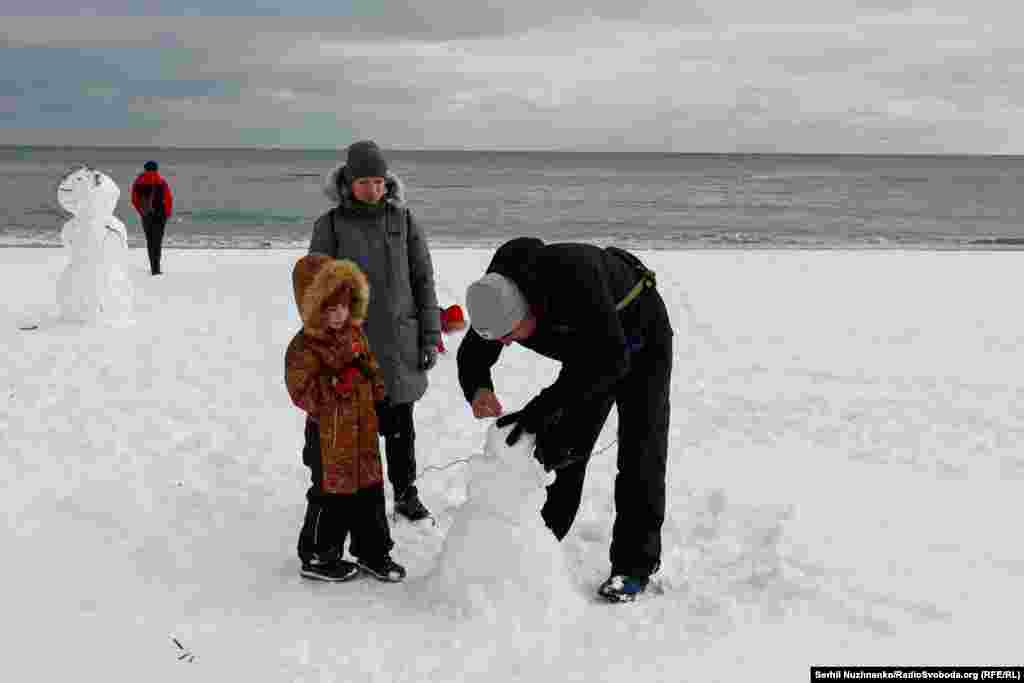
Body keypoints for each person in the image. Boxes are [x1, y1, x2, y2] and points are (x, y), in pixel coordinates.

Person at [458, 237, 673, 603]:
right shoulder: (495, 297)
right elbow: (474, 352)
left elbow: (609, 361)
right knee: (563, 447)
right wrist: (478, 388)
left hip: (640, 339)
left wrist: (539, 410)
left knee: (641, 451)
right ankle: (537, 546)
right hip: (590, 347)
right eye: (501, 339)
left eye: (511, 336)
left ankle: (634, 566)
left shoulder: (574, 277)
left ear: (528, 311)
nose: (507, 344)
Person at [309, 140, 441, 522]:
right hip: (354, 344)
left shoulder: (404, 220)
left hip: (400, 341)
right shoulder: (330, 225)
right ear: (349, 182)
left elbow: (423, 280)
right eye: (365, 182)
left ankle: (406, 493)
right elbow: (315, 288)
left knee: (401, 428)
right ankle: (365, 501)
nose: (374, 190)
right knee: (360, 430)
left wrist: (430, 335)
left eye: (380, 182)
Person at [285, 253, 406, 583]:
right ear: (312, 308)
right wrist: (335, 384)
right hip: (328, 436)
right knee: (330, 495)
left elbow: (371, 369)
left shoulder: (356, 334)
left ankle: (373, 551)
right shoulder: (304, 347)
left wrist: (383, 403)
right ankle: (318, 555)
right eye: (328, 308)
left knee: (369, 491)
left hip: (363, 430)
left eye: (342, 305)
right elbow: (300, 391)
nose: (338, 314)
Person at [130, 160, 173, 276]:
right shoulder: (161, 181)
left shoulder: (138, 181)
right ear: (156, 169)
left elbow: (134, 200)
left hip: (146, 215)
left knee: (150, 241)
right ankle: (156, 268)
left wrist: (141, 211)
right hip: (160, 215)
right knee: (157, 241)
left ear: (145, 169)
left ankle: (153, 267)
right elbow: (168, 198)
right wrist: (167, 214)